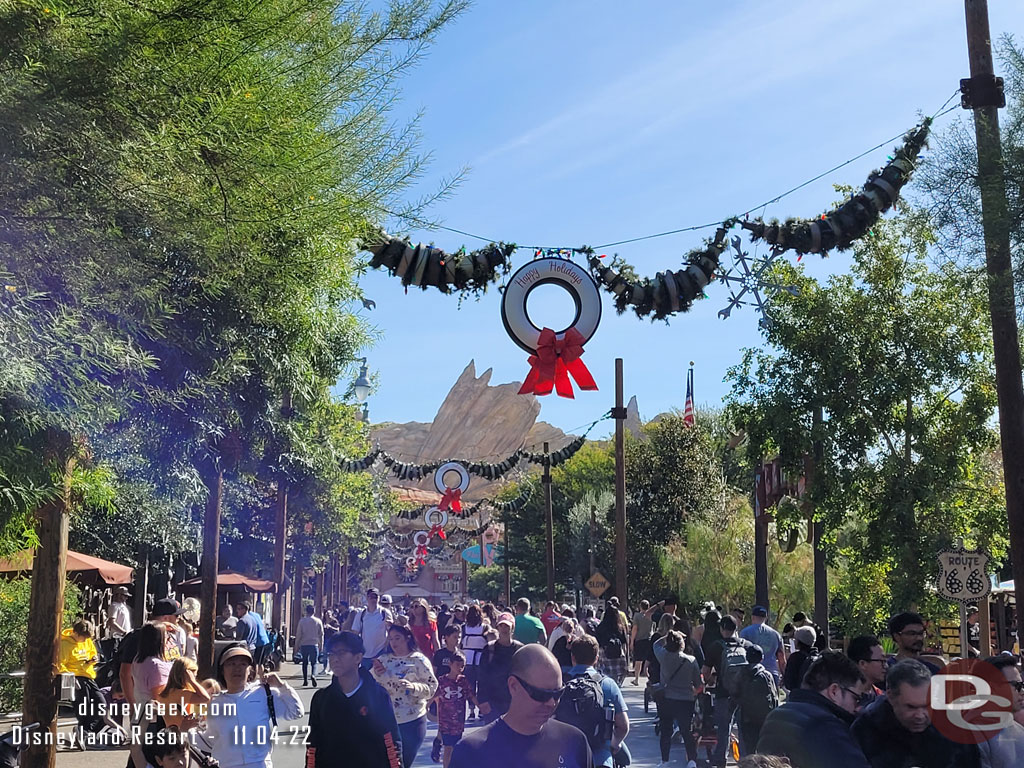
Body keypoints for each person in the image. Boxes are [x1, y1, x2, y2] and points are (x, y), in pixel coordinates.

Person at [449, 644, 592, 768]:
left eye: (558, 693)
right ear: (514, 686)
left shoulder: (575, 742)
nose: (551, 702)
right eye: (541, 694)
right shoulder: (471, 752)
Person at [851, 659, 980, 768]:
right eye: (911, 707)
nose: (919, 715)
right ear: (890, 696)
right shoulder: (866, 729)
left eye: (927, 706)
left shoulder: (954, 728)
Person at [757, 651, 871, 767]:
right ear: (834, 691)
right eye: (856, 699)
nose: (858, 708)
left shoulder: (777, 715)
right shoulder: (827, 727)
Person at [307, 632, 401, 768]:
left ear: (358, 657)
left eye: (341, 653)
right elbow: (313, 743)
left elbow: (391, 740)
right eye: (331, 654)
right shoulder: (321, 698)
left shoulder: (377, 695)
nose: (335, 659)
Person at [203, 644, 303, 768]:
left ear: (250, 670)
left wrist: (281, 686)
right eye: (231, 664)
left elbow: (296, 711)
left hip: (260, 764)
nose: (237, 668)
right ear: (222, 670)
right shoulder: (214, 702)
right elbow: (209, 739)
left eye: (243, 664)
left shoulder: (263, 693)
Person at [556, 634, 629, 768]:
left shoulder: (561, 684)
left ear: (572, 657)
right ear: (596, 658)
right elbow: (623, 726)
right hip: (600, 754)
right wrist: (614, 744)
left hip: (567, 753)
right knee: (626, 759)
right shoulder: (608, 684)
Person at [370, 624, 438, 768]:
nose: (394, 643)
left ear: (407, 638)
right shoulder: (383, 660)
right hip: (386, 720)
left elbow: (432, 688)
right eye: (391, 639)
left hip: (412, 721)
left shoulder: (418, 660)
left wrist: (414, 687)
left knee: (402, 764)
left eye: (397, 638)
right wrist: (377, 674)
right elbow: (368, 685)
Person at [702, 614, 753, 768]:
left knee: (724, 728)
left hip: (723, 692)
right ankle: (746, 761)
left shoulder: (715, 646)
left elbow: (705, 672)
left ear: (721, 629)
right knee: (743, 728)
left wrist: (711, 680)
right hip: (743, 693)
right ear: (736, 628)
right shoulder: (747, 645)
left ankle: (721, 760)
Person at [118, 599, 183, 709]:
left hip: (175, 701)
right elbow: (125, 673)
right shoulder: (140, 637)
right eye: (176, 616)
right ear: (166, 618)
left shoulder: (173, 634)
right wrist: (133, 706)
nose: (179, 620)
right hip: (153, 706)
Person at [652, 628, 702, 768]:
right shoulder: (691, 661)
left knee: (666, 730)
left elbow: (655, 644)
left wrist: (668, 634)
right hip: (686, 700)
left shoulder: (663, 656)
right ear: (682, 645)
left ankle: (665, 761)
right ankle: (691, 761)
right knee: (687, 731)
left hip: (666, 699)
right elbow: (698, 684)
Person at [430, 652, 478, 768]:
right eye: (457, 665)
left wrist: (480, 707)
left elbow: (471, 695)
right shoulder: (442, 681)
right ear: (450, 664)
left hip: (459, 721)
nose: (460, 668)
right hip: (446, 721)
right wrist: (426, 705)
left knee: (456, 746)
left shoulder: (463, 681)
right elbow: (434, 695)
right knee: (448, 747)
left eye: (462, 666)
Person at [59, 619, 105, 737]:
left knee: (101, 703)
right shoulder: (65, 644)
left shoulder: (87, 640)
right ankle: (84, 732)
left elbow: (92, 653)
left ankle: (87, 730)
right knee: (84, 706)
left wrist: (93, 659)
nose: (85, 640)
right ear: (76, 633)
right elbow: (60, 664)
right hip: (75, 678)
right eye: (84, 638)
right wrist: (70, 677)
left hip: (88, 675)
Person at [977, 654, 1024, 766]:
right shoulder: (974, 734)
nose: (1022, 691)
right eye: (1016, 685)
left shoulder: (1019, 729)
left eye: (1022, 685)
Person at [477, 612, 524, 723]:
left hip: (514, 701)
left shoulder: (520, 649)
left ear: (512, 628)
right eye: (501, 625)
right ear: (497, 627)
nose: (504, 629)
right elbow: (482, 676)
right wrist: (482, 700)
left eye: (507, 626)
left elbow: (526, 676)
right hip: (493, 702)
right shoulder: (489, 649)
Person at [735, 645, 779, 756]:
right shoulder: (766, 675)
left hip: (747, 718)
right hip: (764, 718)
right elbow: (774, 696)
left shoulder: (741, 673)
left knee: (749, 748)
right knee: (764, 749)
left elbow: (735, 693)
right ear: (761, 658)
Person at [154, 657, 211, 730]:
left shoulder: (166, 693)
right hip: (183, 733)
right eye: (194, 676)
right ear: (186, 675)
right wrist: (192, 681)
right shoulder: (181, 694)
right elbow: (205, 698)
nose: (195, 678)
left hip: (171, 732)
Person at [739, 606, 786, 684]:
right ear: (766, 618)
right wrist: (784, 675)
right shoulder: (776, 634)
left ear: (752, 617)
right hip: (772, 673)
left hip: (752, 673)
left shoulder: (745, 632)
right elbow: (781, 658)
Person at [132, 623, 173, 708]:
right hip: (154, 717)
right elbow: (159, 698)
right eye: (167, 637)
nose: (169, 640)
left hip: (141, 710)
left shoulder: (138, 660)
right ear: (159, 640)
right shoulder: (156, 666)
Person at [351, 588, 395, 668]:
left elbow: (391, 631)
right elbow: (355, 633)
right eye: (371, 596)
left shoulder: (385, 613)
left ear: (378, 598)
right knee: (366, 678)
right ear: (367, 598)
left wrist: (386, 647)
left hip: (381, 653)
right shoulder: (361, 614)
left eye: (375, 597)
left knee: (380, 678)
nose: (373, 599)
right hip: (365, 654)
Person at [460, 604, 487, 721]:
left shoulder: (464, 628)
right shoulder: (485, 627)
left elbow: (460, 643)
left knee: (470, 686)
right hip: (481, 659)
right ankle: (481, 710)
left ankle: (471, 710)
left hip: (468, 659)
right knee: (482, 685)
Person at [594, 599, 629, 685]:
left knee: (604, 673)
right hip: (618, 653)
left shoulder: (601, 627)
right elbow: (624, 642)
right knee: (617, 674)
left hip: (604, 653)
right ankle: (617, 686)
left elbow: (597, 642)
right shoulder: (620, 628)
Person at [847, 635, 887, 704]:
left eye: (885, 661)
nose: (886, 666)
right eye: (881, 661)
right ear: (862, 664)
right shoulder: (843, 696)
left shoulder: (881, 696)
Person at [295, 604, 325, 687]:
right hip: (314, 644)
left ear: (306, 611)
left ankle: (305, 680)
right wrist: (321, 645)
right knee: (314, 663)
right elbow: (321, 634)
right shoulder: (318, 621)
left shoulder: (302, 621)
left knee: (304, 662)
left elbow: (298, 635)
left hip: (304, 644)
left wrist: (296, 646)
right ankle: (313, 675)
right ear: (314, 611)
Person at [233, 602, 271, 667]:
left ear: (245, 609)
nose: (237, 611)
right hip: (253, 647)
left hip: (244, 647)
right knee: (255, 665)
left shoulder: (242, 621)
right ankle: (255, 677)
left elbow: (238, 638)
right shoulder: (253, 619)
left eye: (239, 609)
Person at [782, 626, 819, 692]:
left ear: (799, 641)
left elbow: (789, 683)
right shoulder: (819, 658)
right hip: (816, 697)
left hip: (798, 696)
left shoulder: (795, 658)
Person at [103, 586, 133, 660]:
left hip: (124, 637)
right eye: (125, 596)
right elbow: (111, 622)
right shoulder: (114, 606)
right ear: (119, 595)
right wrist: (123, 632)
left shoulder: (123, 606)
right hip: (117, 637)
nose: (126, 598)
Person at [630, 600, 654, 686]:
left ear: (640, 606)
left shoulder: (637, 616)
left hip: (640, 640)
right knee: (649, 660)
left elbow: (635, 629)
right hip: (649, 639)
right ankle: (650, 677)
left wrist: (632, 641)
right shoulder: (651, 616)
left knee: (638, 660)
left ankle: (636, 679)